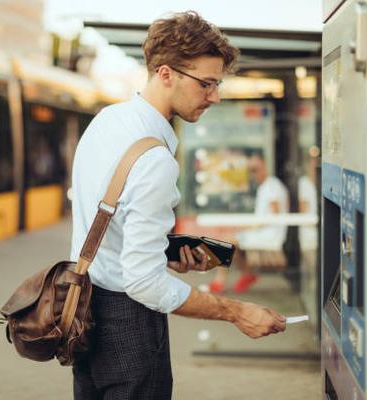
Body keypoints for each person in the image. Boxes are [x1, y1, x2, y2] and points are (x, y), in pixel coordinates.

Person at [70, 11, 286, 400]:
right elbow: (142, 282)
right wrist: (237, 312)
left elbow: (98, 218)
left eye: (217, 84)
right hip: (129, 327)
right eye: (206, 84)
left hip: (83, 312)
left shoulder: (106, 122)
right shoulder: (154, 158)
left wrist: (164, 253)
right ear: (165, 73)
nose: (215, 97)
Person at [209, 153, 290, 294]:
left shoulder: (271, 187)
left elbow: (275, 216)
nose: (253, 174)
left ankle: (219, 282)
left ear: (265, 167)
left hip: (269, 235)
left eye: (256, 169)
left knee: (225, 242)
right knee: (231, 241)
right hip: (264, 232)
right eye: (251, 171)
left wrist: (249, 226)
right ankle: (247, 274)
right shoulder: (267, 186)